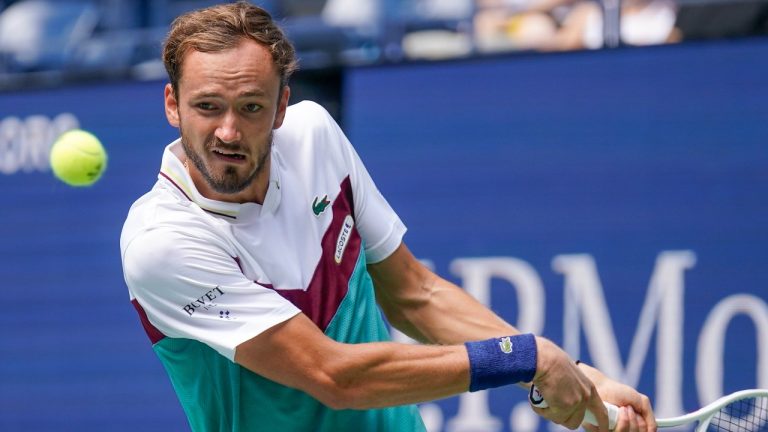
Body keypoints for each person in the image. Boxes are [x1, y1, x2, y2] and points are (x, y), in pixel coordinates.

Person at [119, 2, 656, 431]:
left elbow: (414, 294)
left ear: (282, 108)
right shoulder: (162, 243)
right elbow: (335, 377)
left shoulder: (314, 136)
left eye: (252, 107)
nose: (228, 132)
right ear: (173, 105)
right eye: (208, 106)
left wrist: (581, 379)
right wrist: (524, 358)